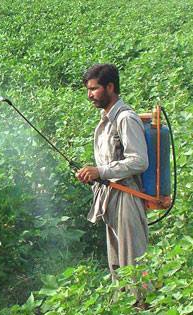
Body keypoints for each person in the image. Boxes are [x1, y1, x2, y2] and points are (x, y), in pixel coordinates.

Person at [76, 64, 149, 280]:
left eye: (94, 89)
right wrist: (93, 174)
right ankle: (126, 311)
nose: (90, 95)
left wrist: (100, 171)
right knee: (117, 267)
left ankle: (144, 310)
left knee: (134, 266)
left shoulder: (125, 118)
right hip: (110, 198)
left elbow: (139, 161)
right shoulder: (105, 120)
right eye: (88, 90)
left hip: (127, 197)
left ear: (110, 87)